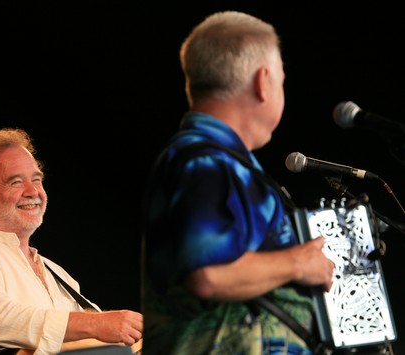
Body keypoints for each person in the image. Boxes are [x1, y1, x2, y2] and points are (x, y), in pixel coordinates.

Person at [141, 11, 335, 354]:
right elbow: (209, 273)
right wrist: (299, 263)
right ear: (263, 81)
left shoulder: (216, 161)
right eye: (282, 80)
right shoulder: (204, 161)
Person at [0, 128, 143, 354]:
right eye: (15, 182)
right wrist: (94, 324)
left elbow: (107, 337)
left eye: (36, 180)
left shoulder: (56, 273)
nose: (33, 191)